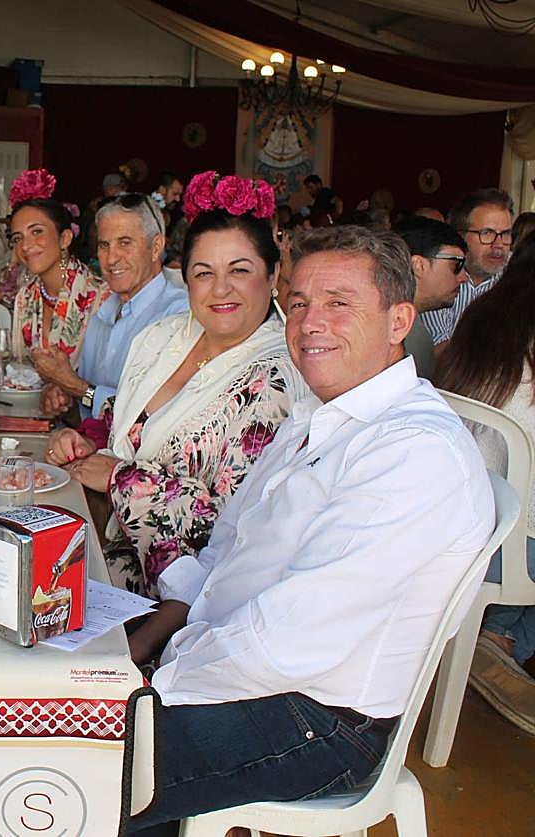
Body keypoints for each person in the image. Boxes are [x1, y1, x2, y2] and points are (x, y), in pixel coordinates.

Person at [122, 225, 493, 835]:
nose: (310, 323)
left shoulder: (412, 452)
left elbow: (288, 642)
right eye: (298, 303)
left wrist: (157, 681)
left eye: (339, 303)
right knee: (42, 690)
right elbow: (226, 550)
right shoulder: (321, 415)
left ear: (399, 321)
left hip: (318, 720)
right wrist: (152, 637)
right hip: (238, 666)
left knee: (70, 753)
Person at [47, 172, 306, 601]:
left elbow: (233, 524)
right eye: (204, 273)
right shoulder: (163, 338)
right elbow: (141, 430)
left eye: (239, 270)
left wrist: (119, 477)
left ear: (273, 272)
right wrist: (90, 446)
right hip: (102, 545)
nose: (220, 288)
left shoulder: (277, 379)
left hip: (179, 596)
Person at [438, 239, 535, 732]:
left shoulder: (481, 319)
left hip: (453, 514)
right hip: (506, 545)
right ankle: (500, 637)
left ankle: (496, 637)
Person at [39, 192, 188, 422]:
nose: (110, 259)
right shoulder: (103, 313)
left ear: (156, 247)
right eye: (104, 245)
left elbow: (153, 418)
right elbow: (88, 415)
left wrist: (76, 386)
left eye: (124, 243)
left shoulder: (178, 315)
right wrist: (63, 399)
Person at [7, 168, 109, 370]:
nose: (25, 245)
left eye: (37, 231)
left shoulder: (100, 298)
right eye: (18, 238)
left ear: (65, 238)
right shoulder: (25, 297)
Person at [420, 188, 513, 358]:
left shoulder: (516, 275)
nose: (499, 245)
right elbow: (438, 356)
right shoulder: (437, 275)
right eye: (487, 233)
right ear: (460, 236)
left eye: (505, 234)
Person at [395, 216, 468, 379]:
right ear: (418, 265)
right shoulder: (404, 333)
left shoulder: (408, 326)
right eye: (457, 265)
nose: (464, 277)